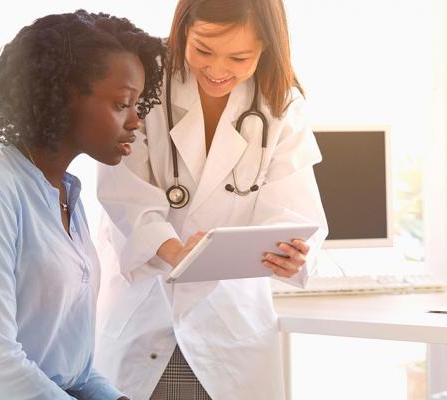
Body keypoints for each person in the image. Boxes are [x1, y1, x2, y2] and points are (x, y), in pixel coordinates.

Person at [93, 0, 328, 399]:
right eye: (203, 50)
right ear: (183, 28)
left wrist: (291, 253)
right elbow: (124, 196)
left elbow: (292, 211)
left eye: (239, 57)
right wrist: (172, 249)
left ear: (267, 47)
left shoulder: (280, 105)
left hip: (230, 327)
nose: (218, 70)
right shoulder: (144, 82)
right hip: (146, 313)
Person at [0, 10, 165, 400]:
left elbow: (75, 371)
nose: (136, 121)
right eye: (123, 103)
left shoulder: (66, 195)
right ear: (63, 95)